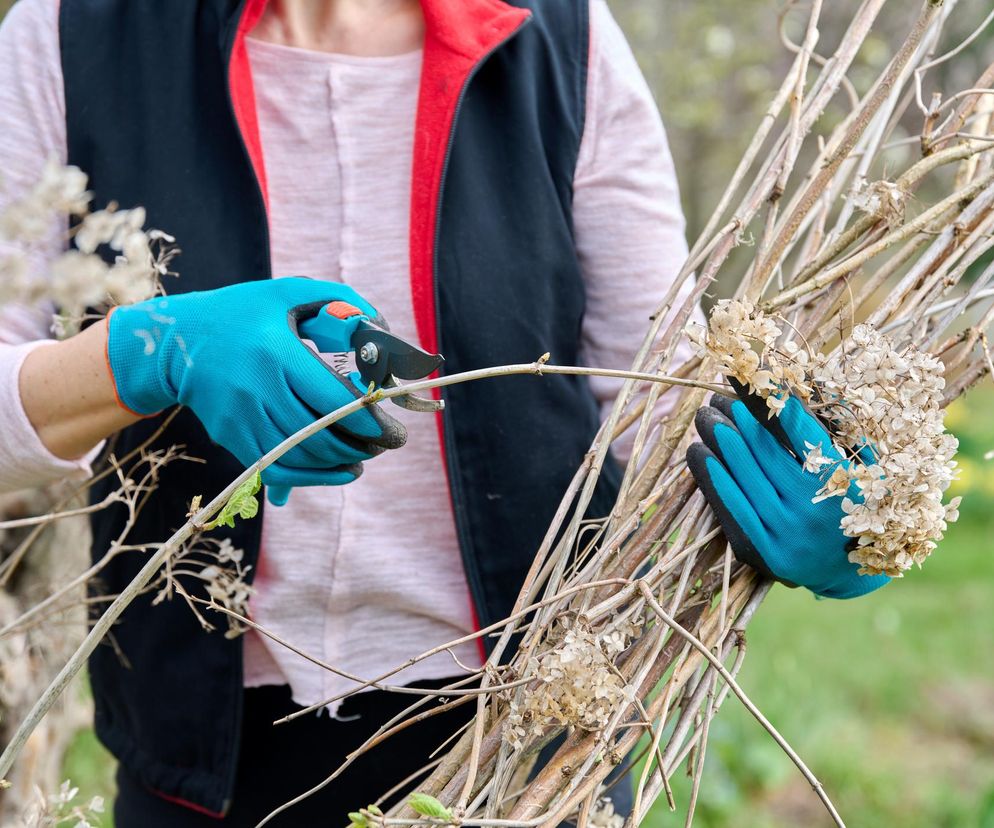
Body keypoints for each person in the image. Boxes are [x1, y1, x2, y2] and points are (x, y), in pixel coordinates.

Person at [0, 0, 887, 824]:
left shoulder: (556, 37)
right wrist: (144, 354)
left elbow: (662, 391)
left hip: (534, 743)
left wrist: (855, 509)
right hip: (200, 766)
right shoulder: (76, 32)